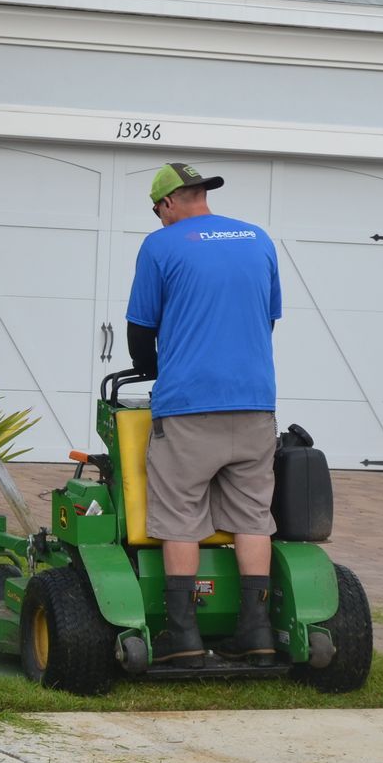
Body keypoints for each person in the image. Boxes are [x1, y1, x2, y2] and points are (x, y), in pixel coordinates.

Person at [124, 162, 282, 667]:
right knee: (254, 516)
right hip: (256, 403)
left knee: (179, 519)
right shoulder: (258, 239)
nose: (159, 218)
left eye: (157, 211)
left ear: (167, 203)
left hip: (189, 407)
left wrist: (151, 370)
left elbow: (140, 329)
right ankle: (257, 633)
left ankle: (184, 637)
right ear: (201, 195)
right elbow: (268, 318)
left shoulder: (161, 245)